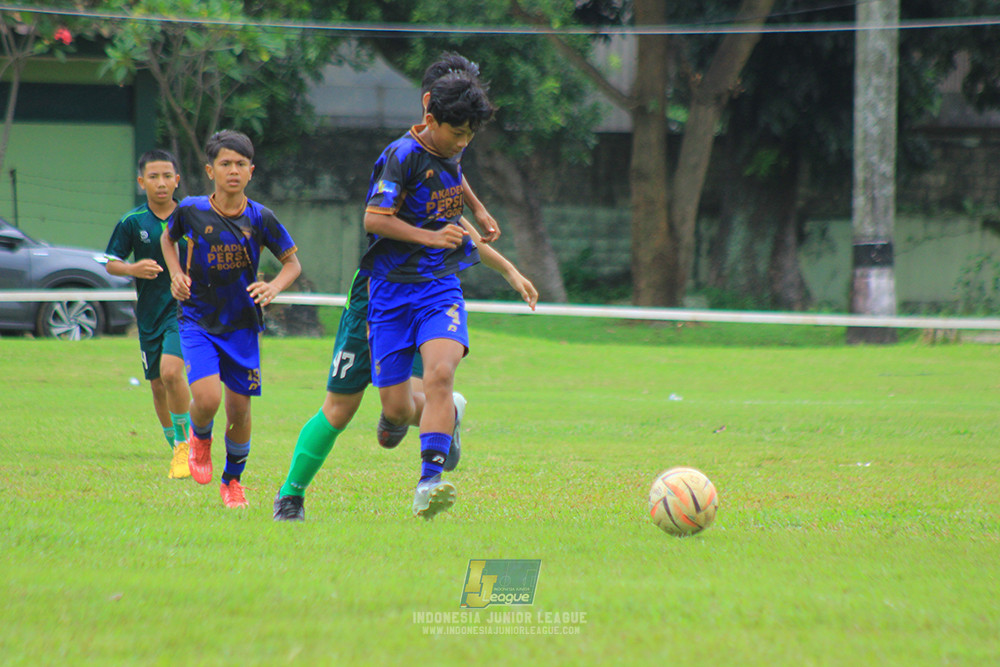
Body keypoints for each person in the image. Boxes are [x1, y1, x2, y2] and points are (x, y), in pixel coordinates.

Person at [272, 221, 536, 521]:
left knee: (412, 402)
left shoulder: (440, 185)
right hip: (373, 301)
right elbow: (377, 224)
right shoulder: (391, 182)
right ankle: (290, 495)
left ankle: (440, 433)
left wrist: (509, 270)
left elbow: (469, 236)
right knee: (341, 409)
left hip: (426, 298)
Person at [362, 71, 495, 520]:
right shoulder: (400, 156)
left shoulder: (449, 148)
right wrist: (426, 236)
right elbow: (375, 220)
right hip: (389, 292)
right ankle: (444, 419)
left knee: (439, 374)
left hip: (440, 287)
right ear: (430, 116)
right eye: (457, 133)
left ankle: (428, 483)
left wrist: (476, 209)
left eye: (469, 136)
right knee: (396, 411)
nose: (463, 143)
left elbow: (454, 176)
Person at [161, 130, 301, 509]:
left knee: (239, 410)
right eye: (225, 164)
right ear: (211, 170)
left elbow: (292, 263)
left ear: (251, 171)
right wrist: (175, 273)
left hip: (241, 325)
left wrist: (273, 287)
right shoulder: (190, 209)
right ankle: (199, 439)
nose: (233, 171)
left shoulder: (261, 218)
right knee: (206, 397)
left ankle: (232, 481)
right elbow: (167, 239)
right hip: (198, 319)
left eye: (241, 164)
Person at [105, 150, 191, 479]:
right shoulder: (132, 222)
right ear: (142, 182)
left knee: (171, 373)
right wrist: (133, 268)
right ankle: (176, 449)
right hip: (149, 314)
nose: (161, 183)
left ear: (177, 180)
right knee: (157, 384)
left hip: (183, 311)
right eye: (153, 177)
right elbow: (109, 262)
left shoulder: (191, 216)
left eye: (167, 176)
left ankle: (186, 444)